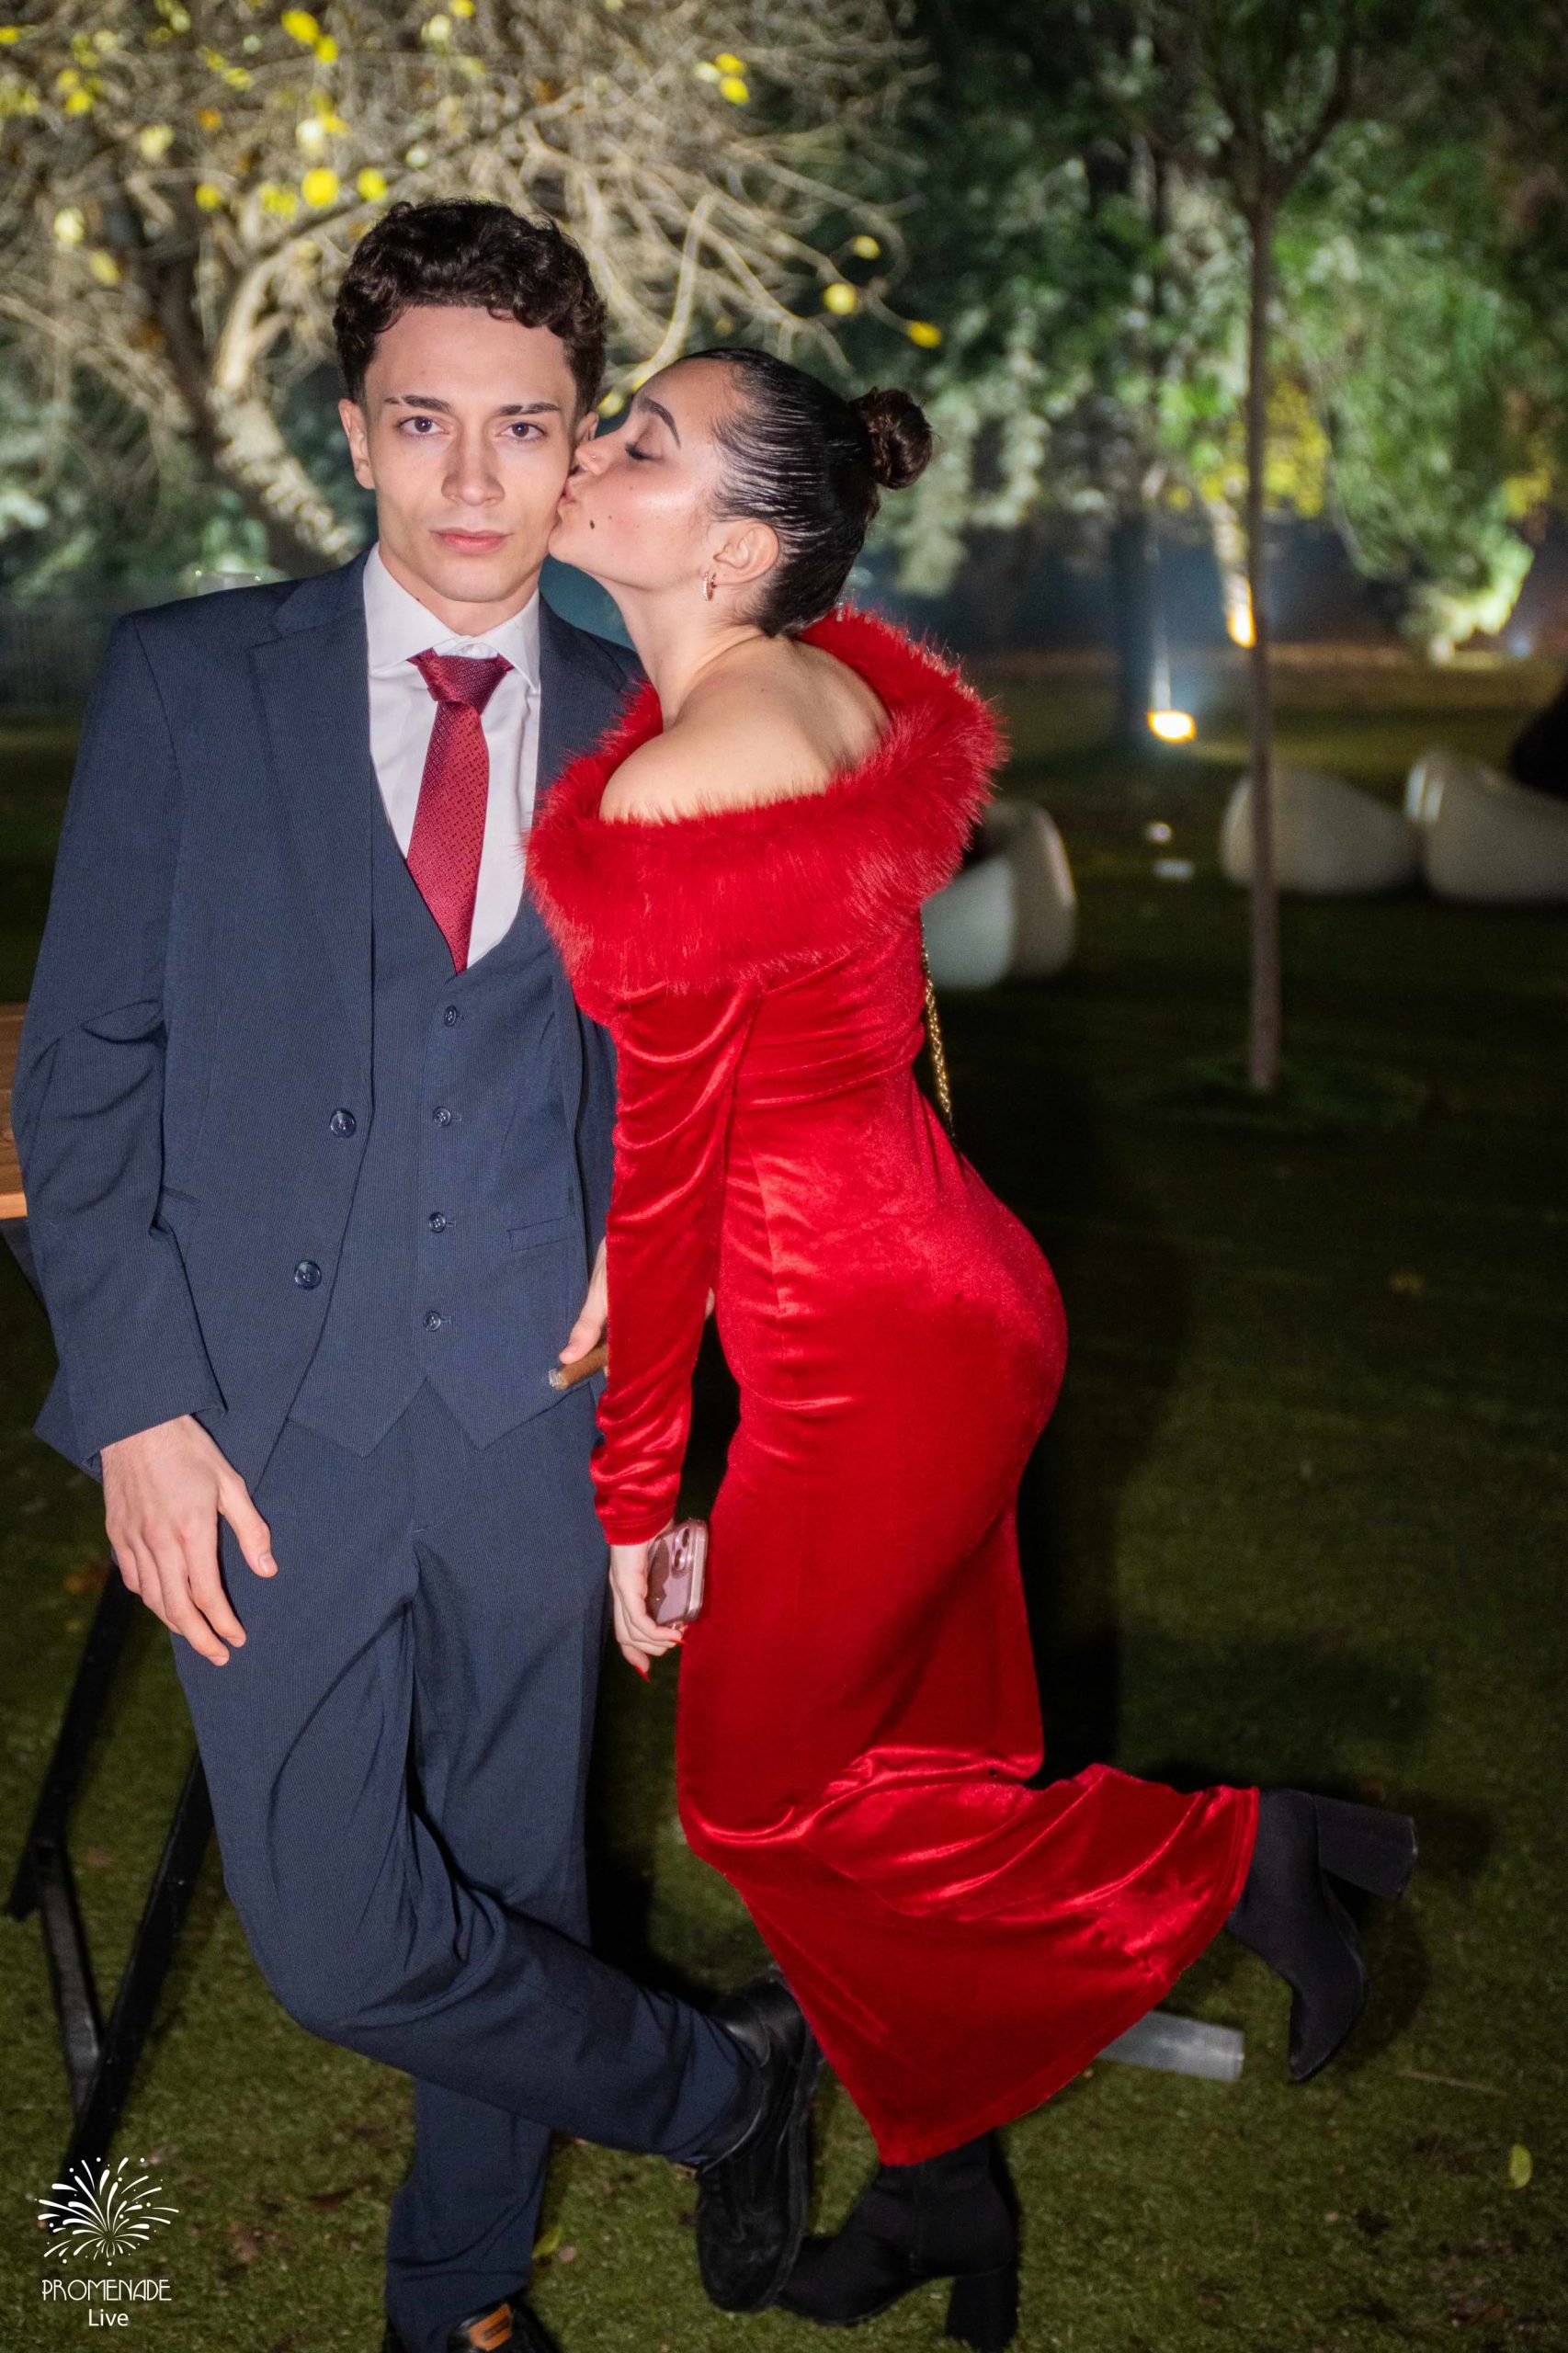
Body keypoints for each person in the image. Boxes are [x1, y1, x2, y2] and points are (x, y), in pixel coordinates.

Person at [526, 347, 1420, 2350]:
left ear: (735, 546)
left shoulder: (676, 779)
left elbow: (670, 1183)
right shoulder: (821, 687)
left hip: (864, 1346)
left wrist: (633, 1496)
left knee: (758, 1800)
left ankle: (1238, 1856)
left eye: (640, 443)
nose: (591, 453)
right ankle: (944, 2183)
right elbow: (770, 1069)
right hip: (948, 1287)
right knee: (909, 1772)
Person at [12, 205, 824, 2353]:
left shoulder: (646, 721)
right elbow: (85, 1075)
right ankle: (718, 2079)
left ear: (581, 445)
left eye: (527, 427)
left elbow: (693, 1121)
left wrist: (664, 1455)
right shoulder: (191, 680)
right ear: (355, 430)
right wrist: (136, 1403)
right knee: (343, 1938)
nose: (474, 479)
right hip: (250, 1421)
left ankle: (459, 2303)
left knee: (520, 1875)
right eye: (425, 422)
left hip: (532, 1416)